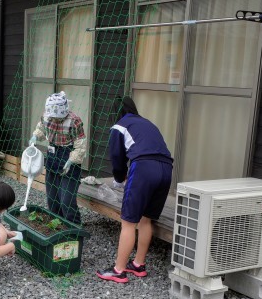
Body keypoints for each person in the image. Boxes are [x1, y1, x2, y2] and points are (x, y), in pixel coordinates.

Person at [97, 96, 173, 283]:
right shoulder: (147, 123)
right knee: (146, 219)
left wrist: (118, 179)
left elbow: (117, 159)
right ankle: (138, 264)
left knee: (128, 222)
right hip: (167, 169)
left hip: (144, 168)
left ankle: (119, 270)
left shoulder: (119, 126)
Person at [29, 91, 86, 225]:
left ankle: (75, 230)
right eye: (52, 117)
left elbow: (80, 145)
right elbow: (41, 128)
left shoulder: (74, 121)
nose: (54, 120)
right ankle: (57, 227)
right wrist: (35, 136)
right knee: (52, 199)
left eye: (57, 118)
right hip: (52, 156)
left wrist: (72, 160)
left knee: (67, 201)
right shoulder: (46, 116)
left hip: (69, 158)